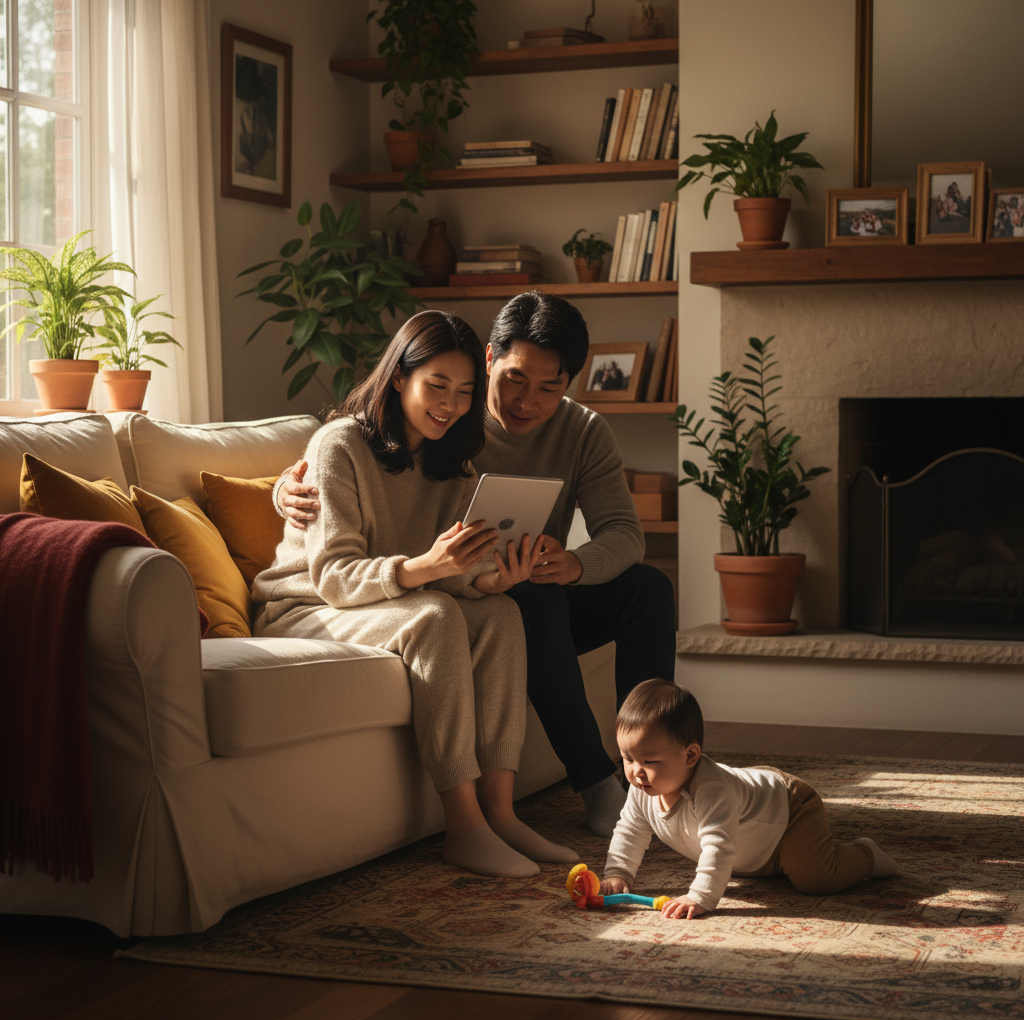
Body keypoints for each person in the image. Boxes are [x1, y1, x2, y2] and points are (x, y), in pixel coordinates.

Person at [276, 292, 677, 838]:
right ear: (490, 359)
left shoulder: (580, 431)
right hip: (476, 593)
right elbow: (351, 459)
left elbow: (626, 534)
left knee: (648, 588)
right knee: (528, 602)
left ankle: (659, 771)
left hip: (523, 585)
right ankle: (597, 784)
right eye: (514, 378)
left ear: (569, 385)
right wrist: (282, 490)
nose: (526, 401)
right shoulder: (451, 428)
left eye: (548, 388)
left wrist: (574, 564)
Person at [252, 309, 577, 878]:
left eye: (464, 392)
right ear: (399, 377)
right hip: (306, 608)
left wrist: (491, 579)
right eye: (437, 386)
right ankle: (464, 826)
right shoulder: (339, 446)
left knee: (500, 614)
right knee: (432, 617)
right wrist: (426, 566)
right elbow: (333, 575)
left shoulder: (453, 463)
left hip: (384, 602)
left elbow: (448, 575)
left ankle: (500, 812)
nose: (449, 405)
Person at [601, 679, 899, 919]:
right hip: (754, 839)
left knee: (816, 880)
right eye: (627, 758)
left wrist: (700, 897)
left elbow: (718, 845)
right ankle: (776, 863)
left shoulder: (711, 791)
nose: (635, 772)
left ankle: (866, 855)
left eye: (649, 762)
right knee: (749, 866)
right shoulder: (642, 791)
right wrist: (618, 873)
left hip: (790, 810)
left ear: (690, 755)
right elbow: (630, 830)